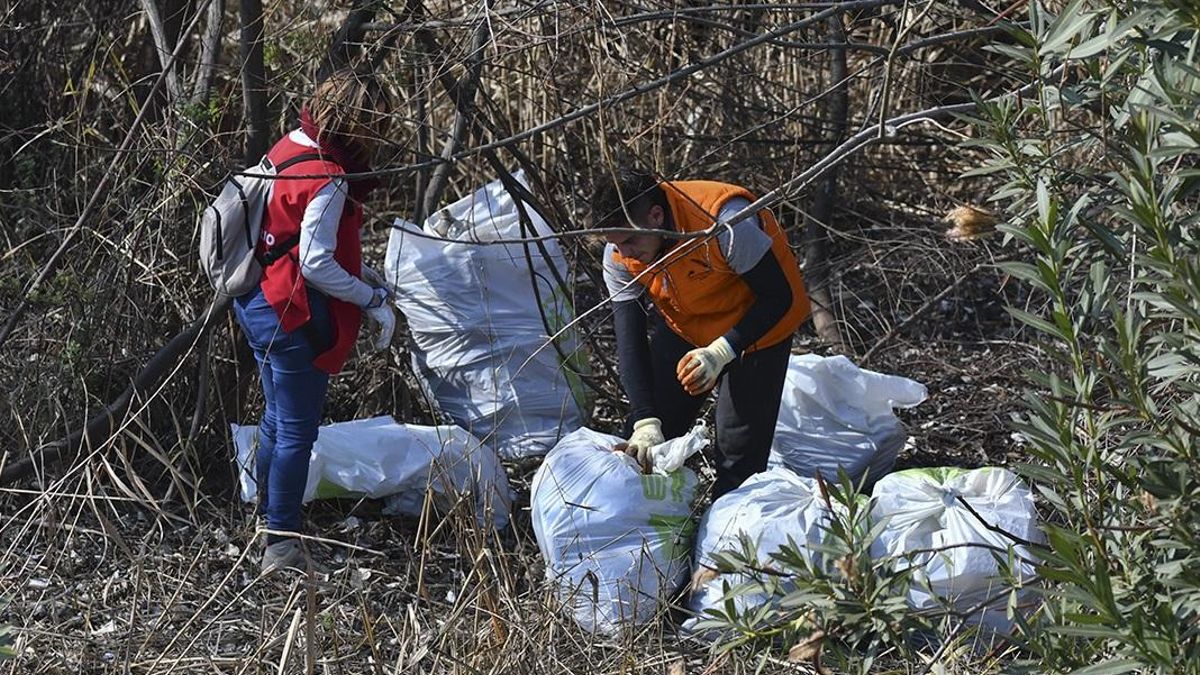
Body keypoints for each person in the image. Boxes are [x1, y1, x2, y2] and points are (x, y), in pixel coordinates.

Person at [234, 69, 396, 573]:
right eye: (376, 126)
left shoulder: (290, 147)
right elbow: (316, 263)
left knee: (276, 419)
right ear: (359, 125)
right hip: (290, 314)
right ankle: (281, 544)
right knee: (296, 433)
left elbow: (287, 233)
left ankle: (264, 517)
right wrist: (370, 298)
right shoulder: (330, 176)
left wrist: (363, 273)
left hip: (256, 300)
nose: (378, 137)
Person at [593, 168, 810, 498]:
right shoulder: (618, 253)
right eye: (615, 244)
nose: (624, 253)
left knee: (737, 459)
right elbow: (629, 338)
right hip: (689, 325)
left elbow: (778, 297)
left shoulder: (726, 222)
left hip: (759, 330)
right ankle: (652, 519)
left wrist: (722, 351)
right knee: (645, 443)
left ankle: (727, 524)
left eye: (630, 241)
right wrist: (644, 419)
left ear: (655, 216)